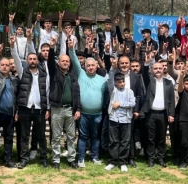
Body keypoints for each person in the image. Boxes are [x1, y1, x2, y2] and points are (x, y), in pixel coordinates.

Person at [69, 39, 108, 167]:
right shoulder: (81, 75)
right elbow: (74, 60)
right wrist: (71, 48)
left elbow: (106, 96)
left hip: (97, 114)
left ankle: (95, 157)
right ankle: (81, 159)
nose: (90, 67)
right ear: (84, 67)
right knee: (83, 136)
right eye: (88, 65)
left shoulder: (103, 80)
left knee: (95, 136)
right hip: (83, 114)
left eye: (93, 65)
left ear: (97, 66)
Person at [10, 36, 47, 169]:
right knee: (24, 136)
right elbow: (15, 57)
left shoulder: (43, 74)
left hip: (39, 109)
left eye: (34, 59)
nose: (32, 61)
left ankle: (43, 159)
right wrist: (12, 46)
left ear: (37, 60)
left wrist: (47, 108)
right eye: (30, 59)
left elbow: (46, 92)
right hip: (25, 108)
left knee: (41, 136)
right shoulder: (22, 72)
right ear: (27, 61)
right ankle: (24, 159)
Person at [47, 37, 81, 170]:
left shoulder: (73, 76)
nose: (65, 63)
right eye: (63, 61)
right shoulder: (54, 73)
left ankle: (72, 159)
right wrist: (51, 47)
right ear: (59, 62)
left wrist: (78, 109)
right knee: (56, 137)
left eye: (67, 61)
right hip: (57, 109)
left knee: (71, 136)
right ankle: (56, 160)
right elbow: (50, 62)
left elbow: (77, 93)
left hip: (70, 110)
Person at [142, 60, 176, 167]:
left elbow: (172, 100)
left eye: (160, 68)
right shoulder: (149, 80)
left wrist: (171, 114)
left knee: (162, 137)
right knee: (150, 138)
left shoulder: (168, 83)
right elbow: (144, 73)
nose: (158, 70)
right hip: (151, 113)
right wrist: (147, 63)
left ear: (163, 69)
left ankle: (161, 158)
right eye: (155, 68)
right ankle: (151, 159)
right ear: (152, 70)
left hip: (163, 114)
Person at [106, 73, 136, 172]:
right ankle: (112, 162)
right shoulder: (113, 90)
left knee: (125, 142)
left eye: (123, 82)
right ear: (115, 83)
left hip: (126, 120)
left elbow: (132, 103)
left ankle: (123, 162)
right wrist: (113, 68)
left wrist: (120, 104)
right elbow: (109, 81)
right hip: (114, 118)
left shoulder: (129, 91)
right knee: (113, 141)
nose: (122, 84)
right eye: (120, 82)